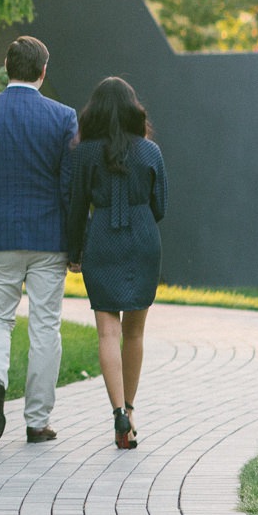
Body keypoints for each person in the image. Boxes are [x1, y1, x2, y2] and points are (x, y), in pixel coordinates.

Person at [0, 35, 79, 443]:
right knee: (45, 327)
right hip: (48, 238)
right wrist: (73, 243)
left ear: (7, 67)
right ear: (44, 71)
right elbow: (69, 187)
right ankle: (37, 420)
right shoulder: (63, 118)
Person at [65, 76, 167, 451]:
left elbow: (76, 207)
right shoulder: (150, 152)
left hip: (102, 241)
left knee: (107, 332)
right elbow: (161, 207)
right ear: (132, 110)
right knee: (134, 333)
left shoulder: (84, 154)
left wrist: (73, 252)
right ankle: (132, 410)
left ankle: (117, 413)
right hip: (142, 241)